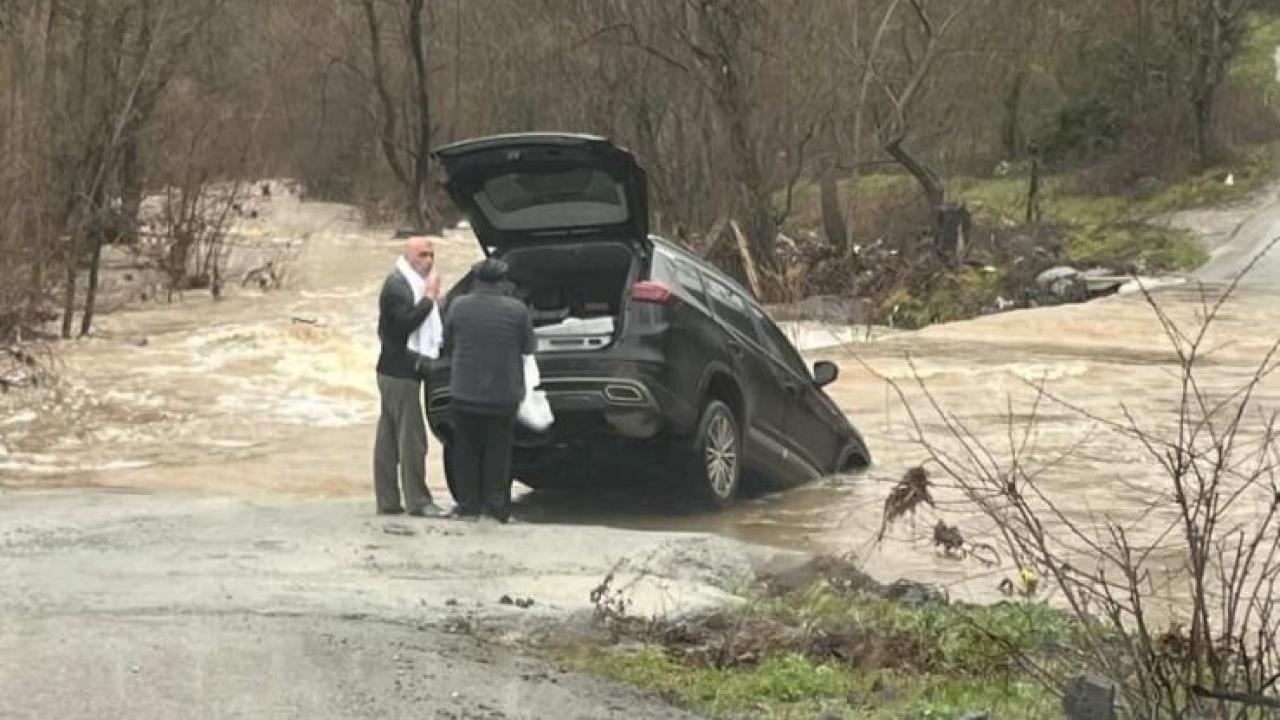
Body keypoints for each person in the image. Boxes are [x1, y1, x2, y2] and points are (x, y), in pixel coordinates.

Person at [442, 258, 534, 523]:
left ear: (477, 280)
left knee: (466, 452)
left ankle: (468, 507)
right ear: (502, 282)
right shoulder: (517, 310)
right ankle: (496, 508)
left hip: (464, 393)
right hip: (502, 395)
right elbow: (529, 348)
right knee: (498, 452)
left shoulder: (458, 306)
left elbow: (447, 344)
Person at [373, 235, 445, 517]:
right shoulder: (398, 287)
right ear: (408, 257)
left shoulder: (407, 283)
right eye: (422, 256)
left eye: (431, 255)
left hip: (392, 369)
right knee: (411, 439)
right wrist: (429, 299)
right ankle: (418, 501)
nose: (428, 261)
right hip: (400, 372)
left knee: (388, 438)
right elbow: (402, 326)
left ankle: (388, 501)